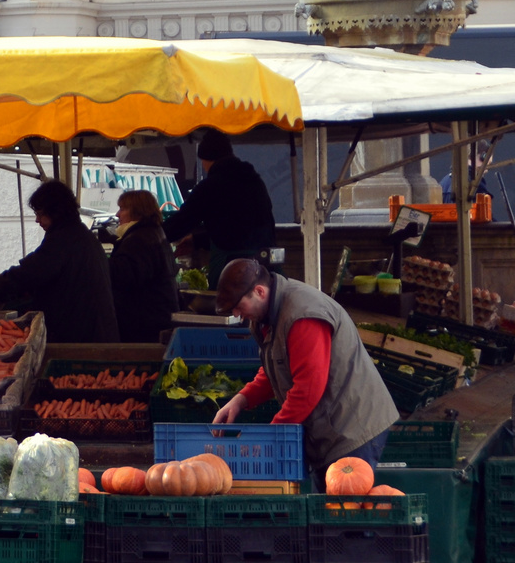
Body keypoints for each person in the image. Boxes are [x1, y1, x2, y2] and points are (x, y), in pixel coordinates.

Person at [212, 259, 399, 492]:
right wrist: (241, 400)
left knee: (345, 510)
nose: (238, 315)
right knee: (329, 509)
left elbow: (307, 390)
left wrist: (271, 434)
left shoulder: (303, 316)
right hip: (327, 427)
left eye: (238, 306)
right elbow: (277, 368)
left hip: (350, 426)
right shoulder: (267, 316)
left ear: (259, 292)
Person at [0, 179, 119, 343]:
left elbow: (32, 272)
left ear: (56, 212)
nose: (37, 220)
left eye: (40, 214)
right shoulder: (78, 234)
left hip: (82, 336)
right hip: (95, 330)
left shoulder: (65, 238)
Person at [162, 131, 275, 282]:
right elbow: (237, 228)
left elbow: (181, 222)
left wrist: (151, 234)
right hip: (266, 270)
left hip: (234, 271)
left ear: (207, 159)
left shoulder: (211, 186)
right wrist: (196, 240)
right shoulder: (255, 182)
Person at [107, 189, 180, 343]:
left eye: (123, 209)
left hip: (144, 326)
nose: (117, 214)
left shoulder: (138, 239)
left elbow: (123, 277)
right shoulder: (153, 232)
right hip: (158, 320)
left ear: (138, 212)